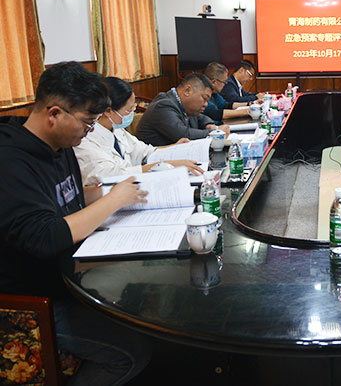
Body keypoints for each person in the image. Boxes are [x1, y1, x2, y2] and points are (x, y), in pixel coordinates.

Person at [0, 62, 152, 385]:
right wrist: (113, 200)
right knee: (131, 353)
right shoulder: (11, 162)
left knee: (144, 300)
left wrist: (116, 192)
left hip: (70, 276)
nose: (90, 131)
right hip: (33, 300)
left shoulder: (61, 145)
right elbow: (45, 236)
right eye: (87, 122)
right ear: (54, 113)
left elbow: (72, 197)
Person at [74, 77, 204, 185]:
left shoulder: (117, 130)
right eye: (129, 110)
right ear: (108, 111)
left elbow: (144, 151)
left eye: (133, 108)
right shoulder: (84, 139)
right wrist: (163, 165)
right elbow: (108, 175)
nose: (132, 113)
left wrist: (174, 148)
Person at [135, 72, 228, 146]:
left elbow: (200, 117)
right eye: (204, 98)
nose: (206, 104)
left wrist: (209, 124)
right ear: (187, 91)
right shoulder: (163, 106)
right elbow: (183, 134)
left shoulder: (185, 106)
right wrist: (215, 133)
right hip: (156, 162)